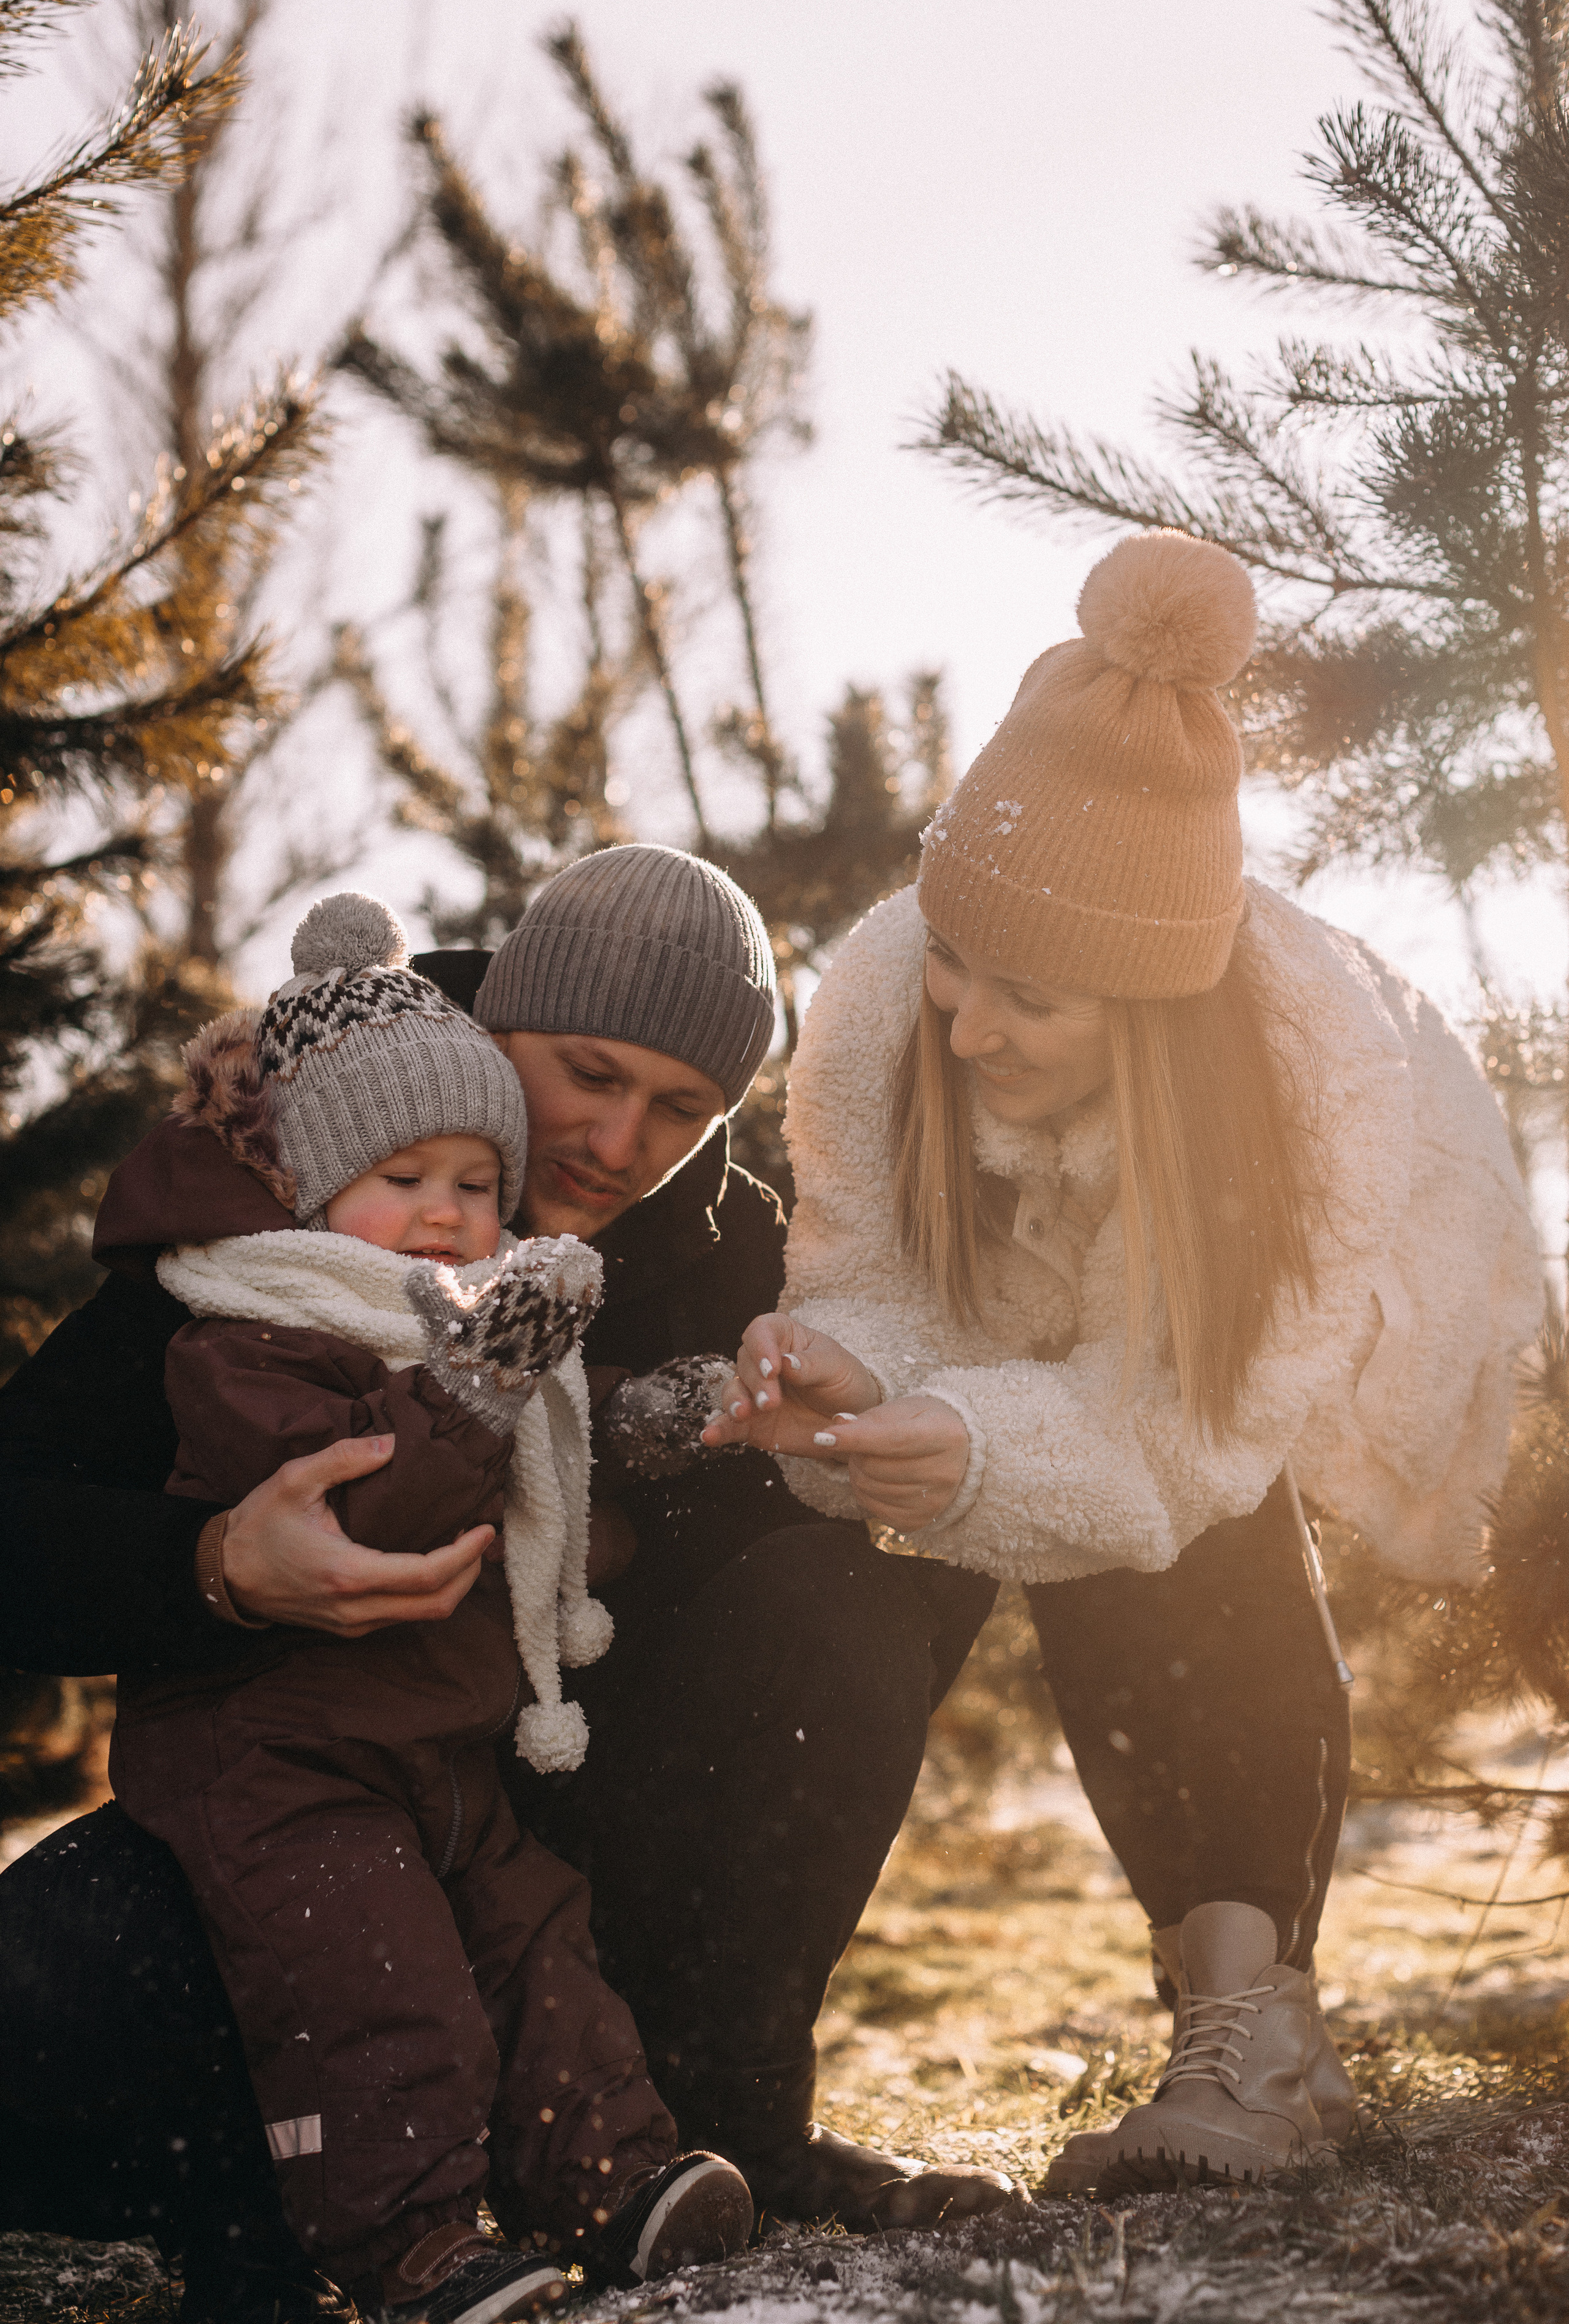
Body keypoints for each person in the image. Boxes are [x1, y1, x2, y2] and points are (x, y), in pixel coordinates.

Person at [1, 845, 1010, 2324]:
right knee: (64, 1970)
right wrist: (215, 1564)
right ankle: (334, 2201)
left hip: (557, 1790)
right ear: (493, 1033)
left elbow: (794, 1579)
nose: (616, 1139)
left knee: (851, 1596)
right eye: (584, 1074)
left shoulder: (730, 1252)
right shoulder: (289, 1193)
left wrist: (732, 1478)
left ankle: (715, 2125)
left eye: (683, 1109)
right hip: (295, 1786)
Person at [704, 531, 1541, 2195]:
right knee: (913, 1549)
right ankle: (716, 2066)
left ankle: (1263, 2037)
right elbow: (871, 1279)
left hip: (1419, 1335)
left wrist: (987, 1445)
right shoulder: (883, 1002)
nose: (966, 1022)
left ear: (1153, 1014)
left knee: (1199, 1544)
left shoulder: (1309, 1102)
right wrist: (849, 1381)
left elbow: (1178, 1445)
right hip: (1076, 1350)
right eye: (957, 958)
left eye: (1030, 998)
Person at [101, 889, 753, 2324]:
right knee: (373, 1998)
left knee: (539, 1946)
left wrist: (643, 1447)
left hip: (433, 1748)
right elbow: (379, 1505)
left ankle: (617, 2180)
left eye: (474, 1182)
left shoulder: (472, 1314)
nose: (450, 1212)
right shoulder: (256, 1334)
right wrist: (472, 1387)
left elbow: (554, 1487)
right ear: (320, 1190)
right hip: (281, 1759)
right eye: (407, 1181)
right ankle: (407, 2243)